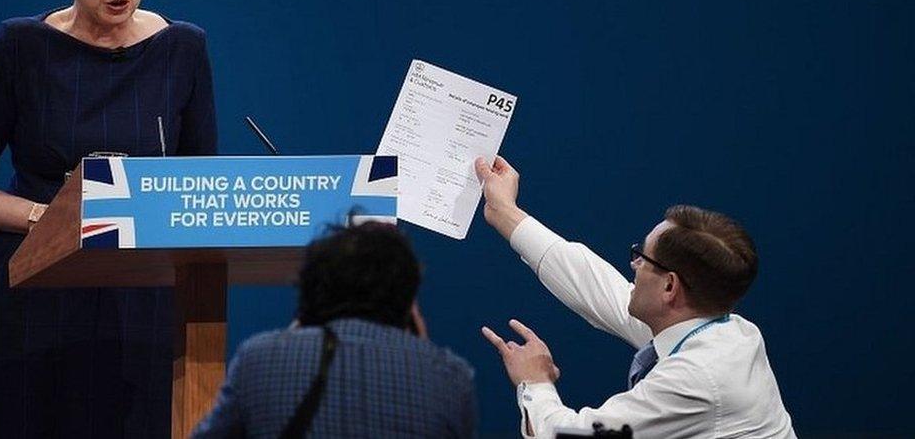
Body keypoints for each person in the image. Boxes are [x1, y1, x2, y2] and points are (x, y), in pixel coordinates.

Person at [0, 0, 217, 436]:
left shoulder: (182, 49)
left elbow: (198, 184)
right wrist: (54, 219)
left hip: (144, 301)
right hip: (34, 292)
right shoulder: (20, 46)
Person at [475, 157, 796, 439]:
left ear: (670, 287)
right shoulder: (725, 330)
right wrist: (504, 212)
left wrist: (535, 383)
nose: (634, 265)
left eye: (643, 257)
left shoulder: (696, 380)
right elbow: (596, 287)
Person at [192, 222, 477, 438]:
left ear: (313, 289)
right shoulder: (451, 378)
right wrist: (424, 351)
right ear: (408, 300)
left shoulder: (260, 359)